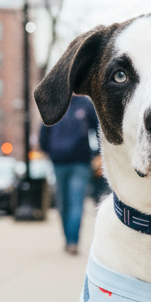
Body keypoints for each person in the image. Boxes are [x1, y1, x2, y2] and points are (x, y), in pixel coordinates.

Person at [39, 94, 100, 254]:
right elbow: (99, 130)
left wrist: (50, 152)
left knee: (65, 203)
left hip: (62, 162)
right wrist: (98, 153)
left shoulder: (53, 102)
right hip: (78, 161)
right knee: (74, 203)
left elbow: (43, 136)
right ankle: (72, 242)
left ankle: (69, 240)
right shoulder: (85, 104)